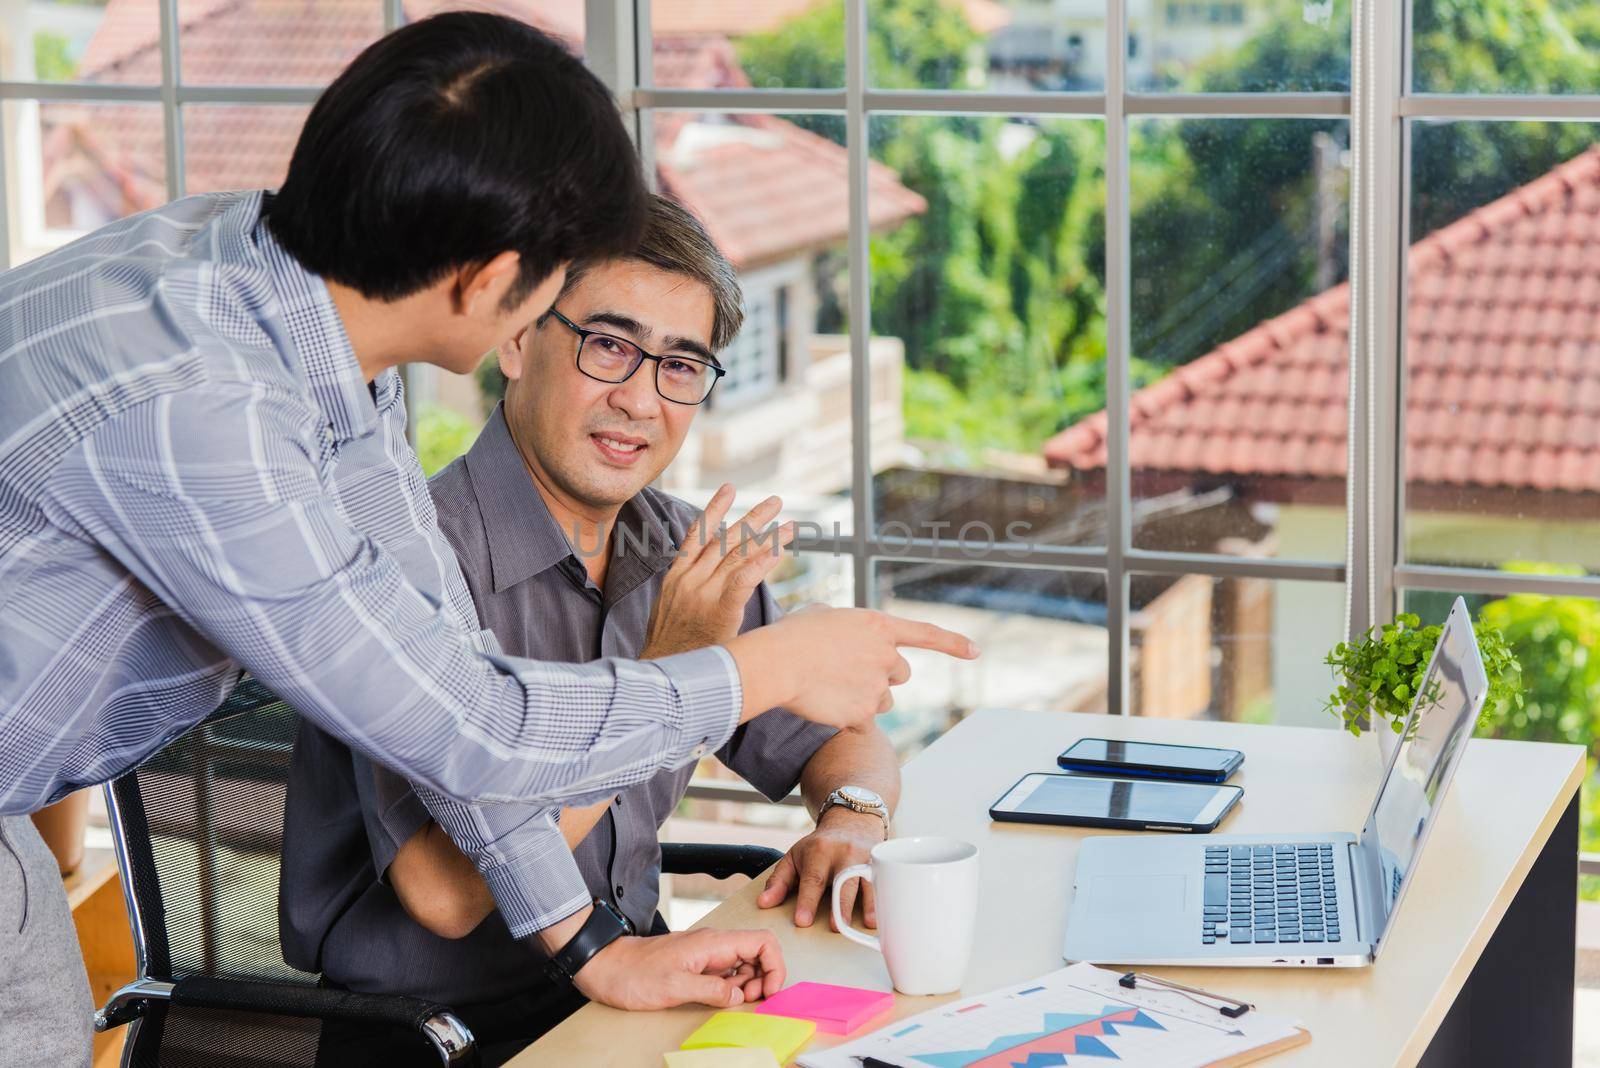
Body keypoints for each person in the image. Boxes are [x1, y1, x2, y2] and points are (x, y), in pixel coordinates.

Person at [0, 14, 976, 1064]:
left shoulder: (289, 310)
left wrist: (586, 950)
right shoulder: (207, 417)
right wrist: (748, 667)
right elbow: (483, 729)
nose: (634, 388)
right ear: (492, 292)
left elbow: (453, 704)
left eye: (678, 365)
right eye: (570, 297)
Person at [282, 196, 902, 1063]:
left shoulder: (679, 547)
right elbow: (449, 893)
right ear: (516, 341)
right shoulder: (409, 563)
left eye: (681, 366)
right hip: (437, 1037)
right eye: (609, 346)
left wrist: (851, 823)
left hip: (640, 993)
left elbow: (846, 739)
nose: (641, 400)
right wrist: (675, 671)